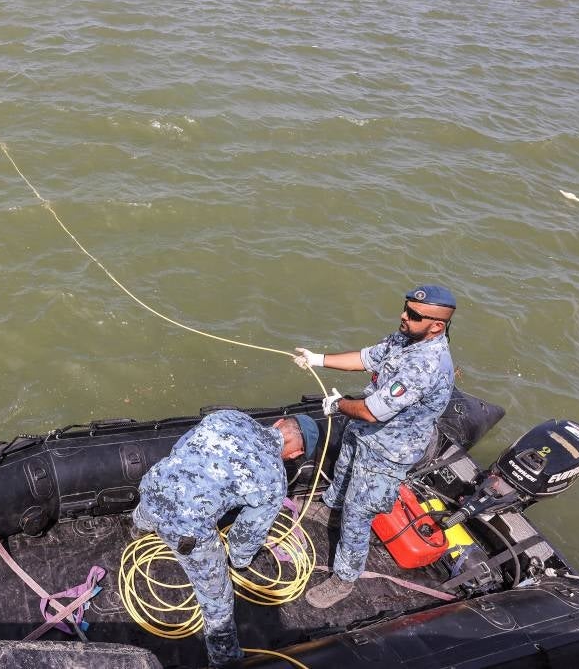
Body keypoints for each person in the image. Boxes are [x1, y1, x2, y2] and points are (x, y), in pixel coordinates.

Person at [294, 284, 456, 609]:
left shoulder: (426, 365)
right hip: (365, 432)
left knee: (359, 512)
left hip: (389, 450)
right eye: (405, 308)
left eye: (413, 314)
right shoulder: (406, 338)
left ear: (436, 325)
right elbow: (368, 358)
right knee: (342, 472)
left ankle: (344, 578)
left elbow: (371, 410)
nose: (403, 316)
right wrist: (318, 359)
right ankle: (330, 508)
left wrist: (339, 405)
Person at [131, 409, 319, 668]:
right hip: (187, 531)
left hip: (152, 486)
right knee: (217, 600)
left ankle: (138, 529)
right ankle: (224, 659)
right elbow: (243, 541)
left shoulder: (229, 416)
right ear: (296, 454)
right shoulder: (275, 480)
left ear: (277, 423)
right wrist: (239, 561)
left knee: (148, 510)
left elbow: (180, 448)